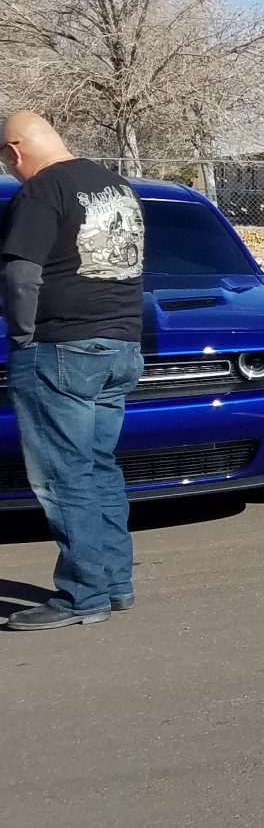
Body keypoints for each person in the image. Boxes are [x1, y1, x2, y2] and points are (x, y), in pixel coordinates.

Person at [1, 112, 146, 631]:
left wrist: (21, 339)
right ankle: (113, 583)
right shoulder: (116, 185)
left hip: (60, 348)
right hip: (121, 346)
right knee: (97, 467)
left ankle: (82, 595)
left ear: (15, 151)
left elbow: (21, 272)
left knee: (64, 477)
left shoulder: (41, 191)